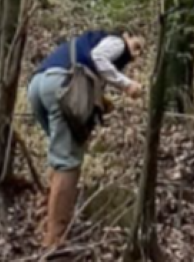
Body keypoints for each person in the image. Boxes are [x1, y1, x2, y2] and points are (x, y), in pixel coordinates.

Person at [27, 29, 144, 249]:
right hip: (61, 86)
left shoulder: (88, 42)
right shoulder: (117, 43)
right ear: (126, 34)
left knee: (60, 157)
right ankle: (55, 240)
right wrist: (127, 84)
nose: (136, 55)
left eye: (140, 53)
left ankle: (46, 220)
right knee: (68, 163)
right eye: (136, 46)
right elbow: (98, 58)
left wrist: (101, 100)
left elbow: (88, 68)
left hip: (38, 84)